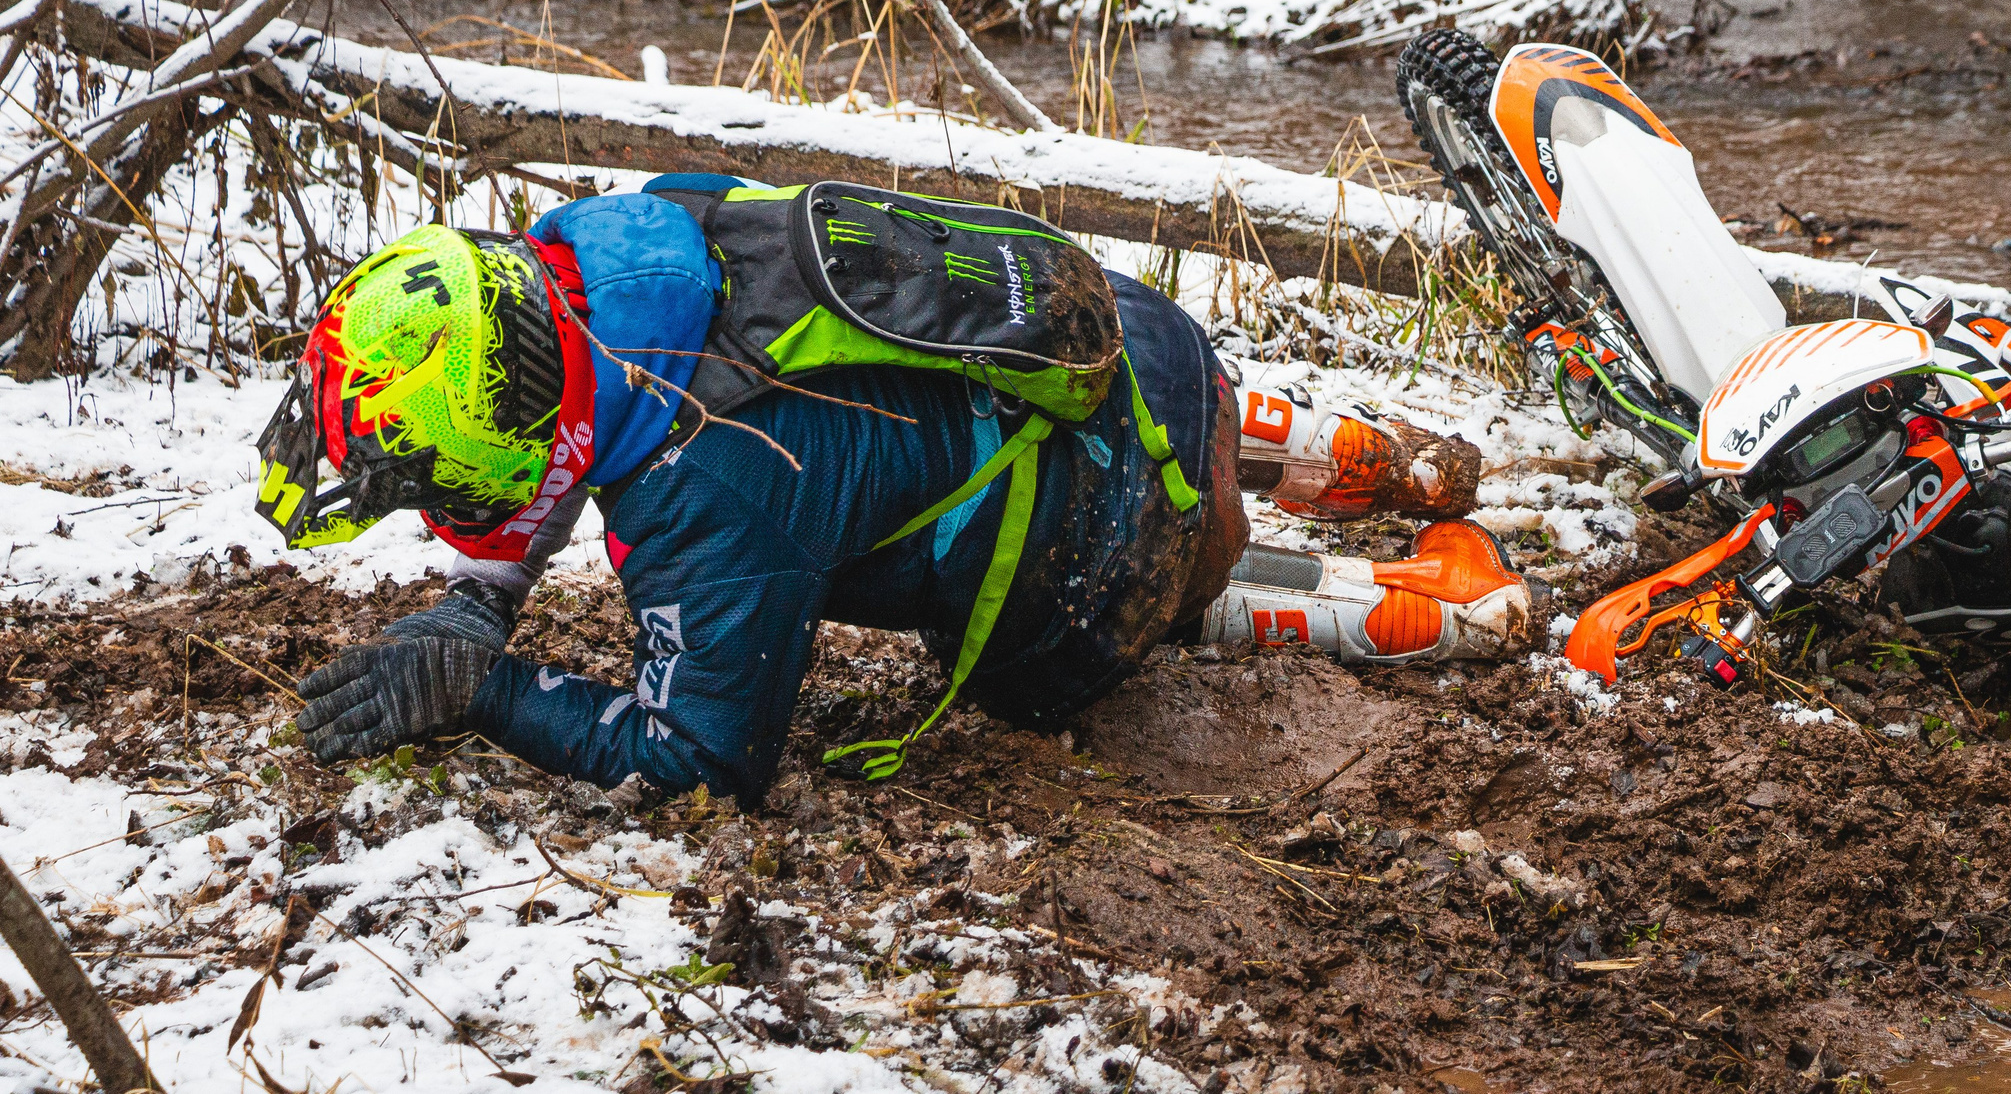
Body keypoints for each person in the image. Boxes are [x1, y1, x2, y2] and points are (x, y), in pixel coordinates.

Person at [258, 176, 1527, 806]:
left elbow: (703, 757)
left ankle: (1434, 607)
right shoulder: (611, 234)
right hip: (1130, 342)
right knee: (1044, 419)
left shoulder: (712, 491)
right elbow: (572, 414)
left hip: (1104, 554)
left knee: (1079, 620)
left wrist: (491, 689)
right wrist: (484, 595)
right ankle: (1340, 447)